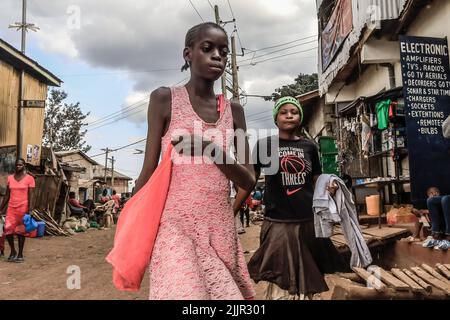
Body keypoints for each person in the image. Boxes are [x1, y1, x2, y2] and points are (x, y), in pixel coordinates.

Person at [130, 22, 256, 299]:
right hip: (175, 226)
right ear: (188, 54)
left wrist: (210, 148)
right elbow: (148, 170)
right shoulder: (164, 99)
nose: (217, 56)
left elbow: (248, 179)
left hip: (219, 229)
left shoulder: (234, 111)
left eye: (223, 52)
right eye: (207, 48)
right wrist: (131, 219)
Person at [244, 96, 346, 300]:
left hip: (308, 221)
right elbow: (249, 180)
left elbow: (317, 178)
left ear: (300, 117)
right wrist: (232, 209)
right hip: (278, 222)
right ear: (276, 118)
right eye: (284, 112)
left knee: (309, 277)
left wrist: (329, 188)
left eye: (294, 112)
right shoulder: (265, 145)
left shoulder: (309, 147)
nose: (289, 115)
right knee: (281, 279)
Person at [0, 158, 35, 263]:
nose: (18, 166)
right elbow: (7, 195)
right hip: (11, 208)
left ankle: (20, 254)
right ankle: (13, 251)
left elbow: (31, 196)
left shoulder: (30, 179)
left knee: (21, 231)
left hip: (23, 208)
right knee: (7, 229)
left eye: (20, 165)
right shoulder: (10, 178)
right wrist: (1, 208)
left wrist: (30, 210)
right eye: (16, 165)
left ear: (24, 165)